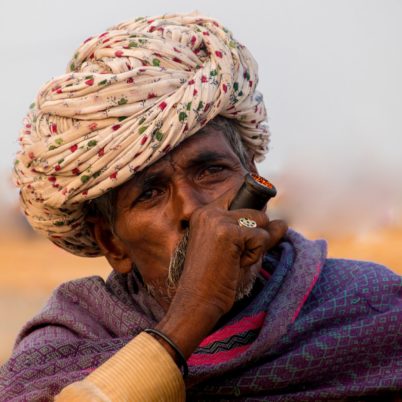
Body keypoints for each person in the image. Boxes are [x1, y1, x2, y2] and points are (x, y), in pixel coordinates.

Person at [1, 12, 401, 401]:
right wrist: (193, 315)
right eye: (150, 193)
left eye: (211, 171)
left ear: (253, 179)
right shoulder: (69, 347)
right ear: (112, 243)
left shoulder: (371, 308)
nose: (191, 209)